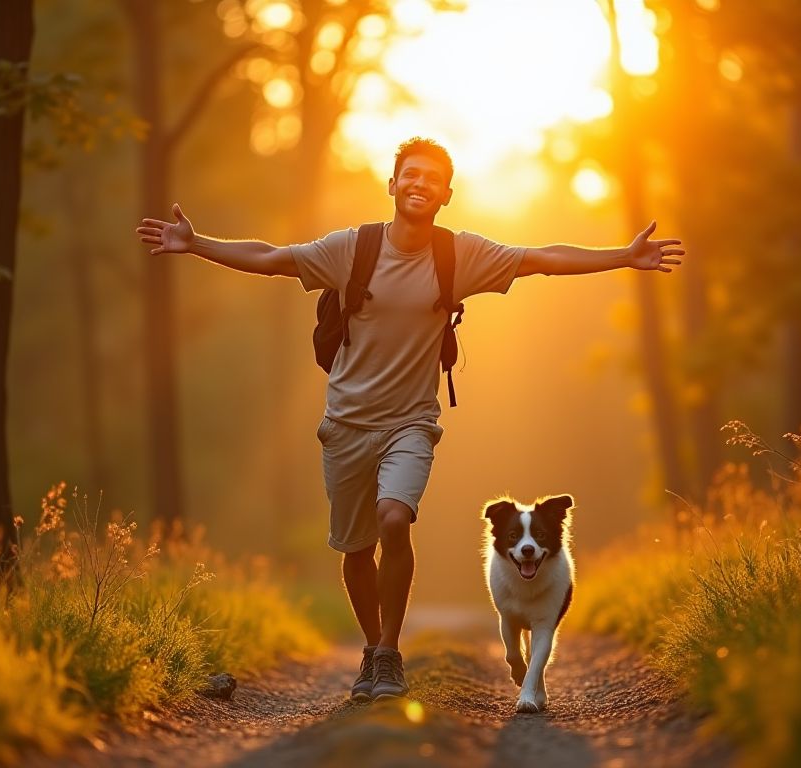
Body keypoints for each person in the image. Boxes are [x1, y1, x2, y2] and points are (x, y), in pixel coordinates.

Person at [135, 137, 683, 702]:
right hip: (345, 423)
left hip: (411, 423)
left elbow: (541, 258)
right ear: (393, 184)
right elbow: (275, 258)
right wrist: (195, 243)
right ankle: (373, 648)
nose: (420, 184)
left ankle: (391, 652)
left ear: (446, 194)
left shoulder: (458, 256)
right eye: (410, 175)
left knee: (395, 520)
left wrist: (623, 255)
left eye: (433, 179)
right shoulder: (353, 249)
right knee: (355, 550)